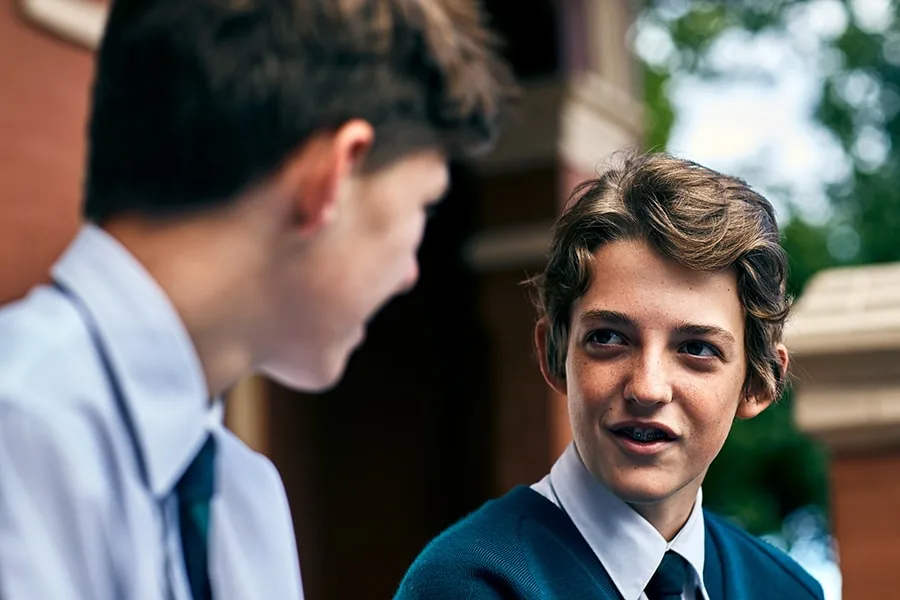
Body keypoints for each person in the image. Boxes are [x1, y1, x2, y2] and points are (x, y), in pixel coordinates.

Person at [0, 0, 514, 598]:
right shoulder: (20, 426)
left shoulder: (248, 500)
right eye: (422, 203)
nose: (408, 274)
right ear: (335, 175)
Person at [395, 152, 826, 600]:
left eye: (696, 348)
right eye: (608, 339)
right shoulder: (469, 583)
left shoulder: (787, 590)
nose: (646, 387)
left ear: (760, 382)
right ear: (554, 354)